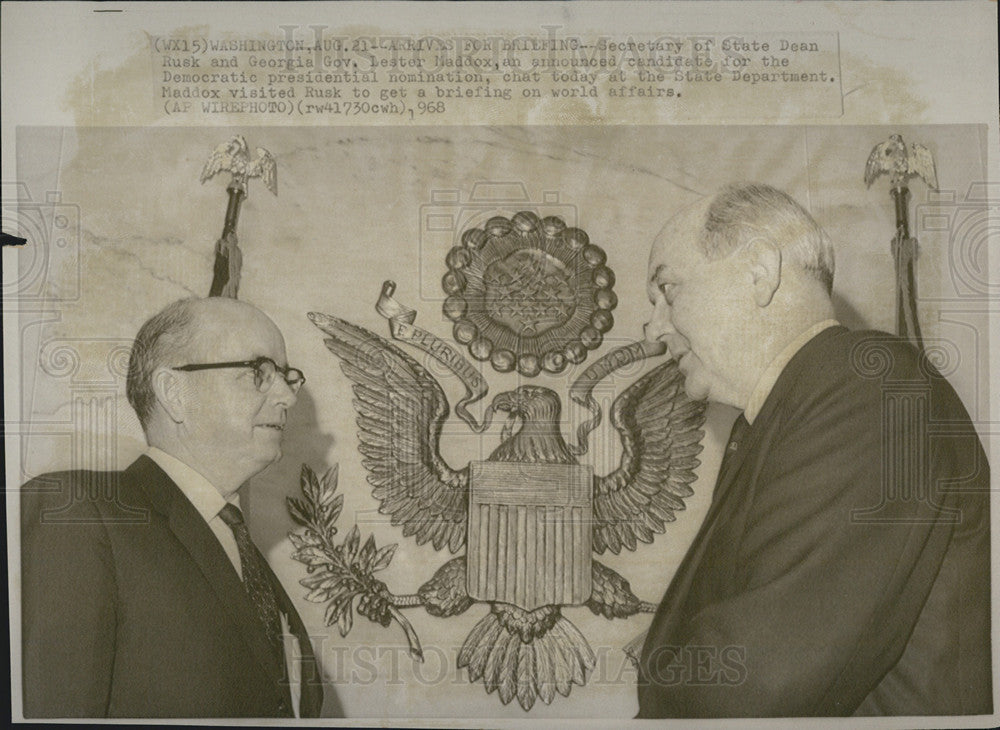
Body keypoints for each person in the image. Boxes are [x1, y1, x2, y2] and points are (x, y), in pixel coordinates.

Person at [636, 183, 991, 717]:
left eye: (669, 291)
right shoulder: (778, 416)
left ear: (758, 270)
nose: (653, 331)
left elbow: (761, 677)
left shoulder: (868, 384)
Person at [20, 297, 325, 718]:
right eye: (259, 372)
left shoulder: (240, 549)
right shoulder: (78, 511)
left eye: (287, 377)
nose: (287, 397)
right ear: (173, 392)